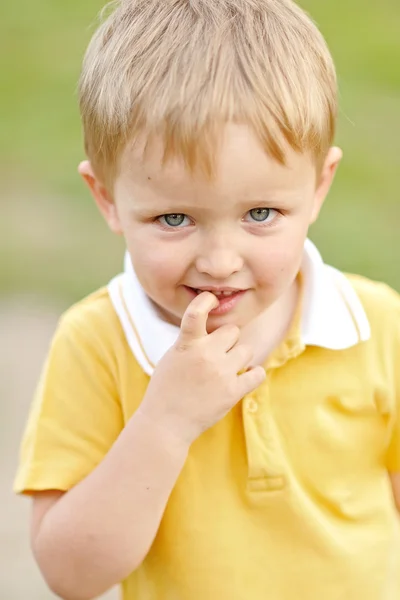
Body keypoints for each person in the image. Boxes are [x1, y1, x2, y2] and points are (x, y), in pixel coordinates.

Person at [14, 1, 400, 599]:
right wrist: (166, 420)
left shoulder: (376, 327)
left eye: (260, 214)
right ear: (108, 197)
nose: (220, 261)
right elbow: (72, 575)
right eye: (174, 218)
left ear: (319, 186)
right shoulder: (98, 342)